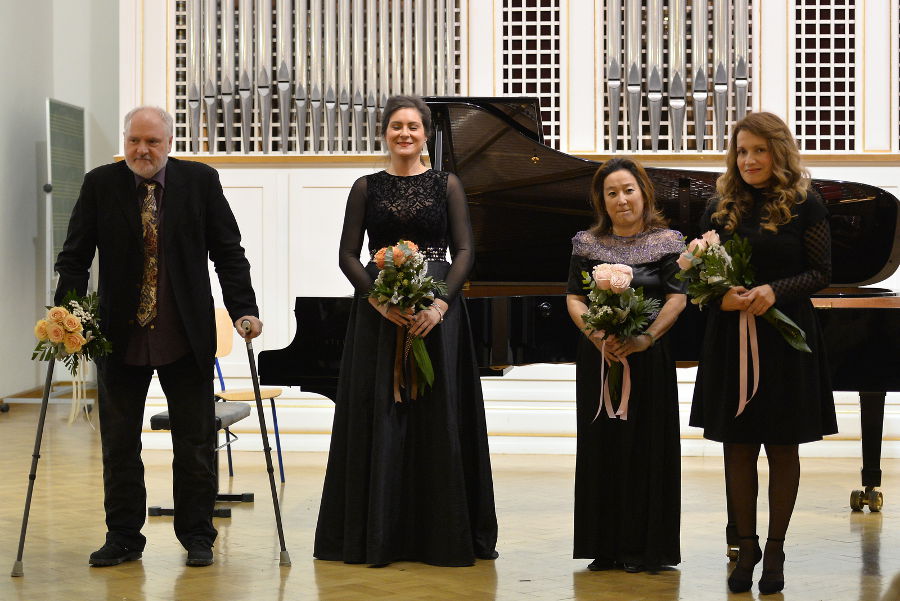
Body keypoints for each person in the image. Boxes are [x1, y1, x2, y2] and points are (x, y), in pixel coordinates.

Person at [54, 106, 262, 567]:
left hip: (184, 335)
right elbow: (74, 258)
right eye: (134, 141)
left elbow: (229, 253)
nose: (142, 151)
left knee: (194, 443)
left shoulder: (200, 183)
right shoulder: (99, 184)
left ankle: (197, 535)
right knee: (120, 444)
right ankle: (124, 536)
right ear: (124, 140)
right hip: (118, 337)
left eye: (152, 142)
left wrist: (245, 309)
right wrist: (65, 317)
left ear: (169, 143)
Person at [315, 95, 498, 567]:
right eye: (396, 126)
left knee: (439, 416)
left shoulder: (447, 184)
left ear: (425, 134)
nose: (405, 134)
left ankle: (440, 535)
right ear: (385, 133)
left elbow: (463, 252)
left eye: (413, 127)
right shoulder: (366, 187)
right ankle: (379, 534)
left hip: (438, 315)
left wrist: (439, 305)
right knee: (384, 416)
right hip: (380, 317)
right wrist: (377, 299)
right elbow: (348, 255)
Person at [688, 112, 836, 595]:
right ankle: (745, 546)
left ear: (778, 151)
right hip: (731, 336)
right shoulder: (719, 204)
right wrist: (718, 296)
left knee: (782, 445)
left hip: (786, 336)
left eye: (759, 150)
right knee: (738, 444)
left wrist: (775, 290)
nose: (748, 160)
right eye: (741, 150)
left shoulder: (803, 203)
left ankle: (775, 548)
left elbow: (821, 272)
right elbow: (692, 273)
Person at [566, 157, 687, 573]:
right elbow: (574, 298)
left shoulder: (668, 240)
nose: (621, 199)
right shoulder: (587, 243)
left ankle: (646, 548)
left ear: (644, 193)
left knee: (647, 449)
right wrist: (597, 335)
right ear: (602, 200)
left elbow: (677, 297)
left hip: (648, 355)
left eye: (628, 190)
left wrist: (645, 337)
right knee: (603, 447)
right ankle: (605, 546)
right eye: (612, 193)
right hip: (599, 358)